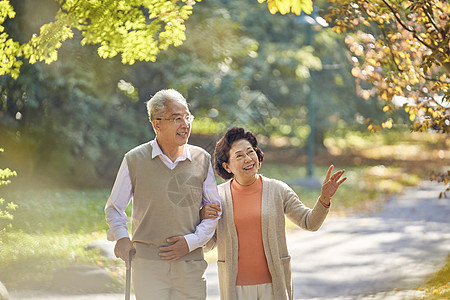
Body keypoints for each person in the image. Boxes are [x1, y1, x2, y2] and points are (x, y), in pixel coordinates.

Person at [201, 127, 346, 300]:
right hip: (236, 288)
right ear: (227, 166)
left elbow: (310, 223)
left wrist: (324, 198)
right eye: (239, 156)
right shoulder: (218, 197)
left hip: (274, 286)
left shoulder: (278, 190)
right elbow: (208, 245)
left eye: (250, 152)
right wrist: (202, 218)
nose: (247, 159)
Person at [105, 89, 222, 300]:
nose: (185, 124)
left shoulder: (201, 158)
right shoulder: (134, 159)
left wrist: (191, 242)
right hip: (148, 264)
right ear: (156, 123)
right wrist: (121, 237)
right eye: (177, 118)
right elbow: (114, 208)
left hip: (190, 263)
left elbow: (214, 212)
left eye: (187, 117)